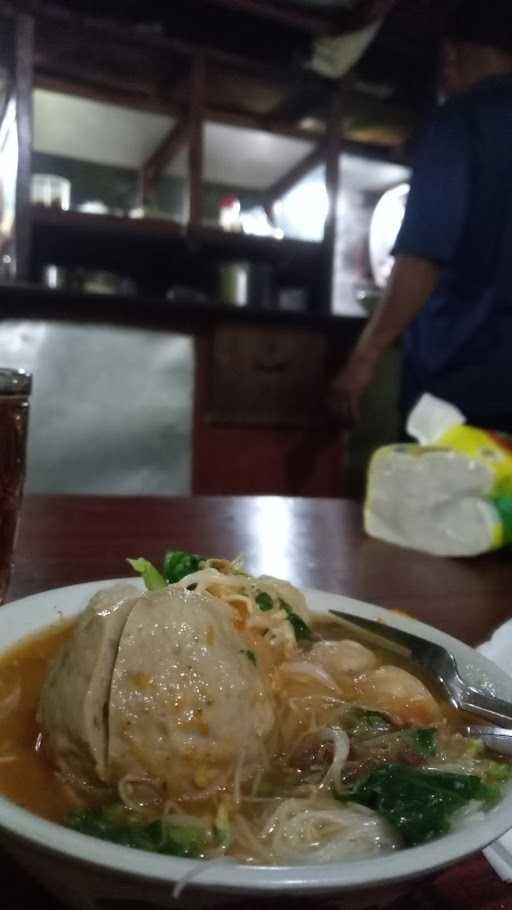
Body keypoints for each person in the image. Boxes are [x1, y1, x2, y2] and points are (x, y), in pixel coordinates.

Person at [331, 0, 512, 435]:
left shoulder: (461, 120)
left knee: (440, 501)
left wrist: (363, 358)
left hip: (454, 394)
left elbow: (420, 259)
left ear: (451, 56)